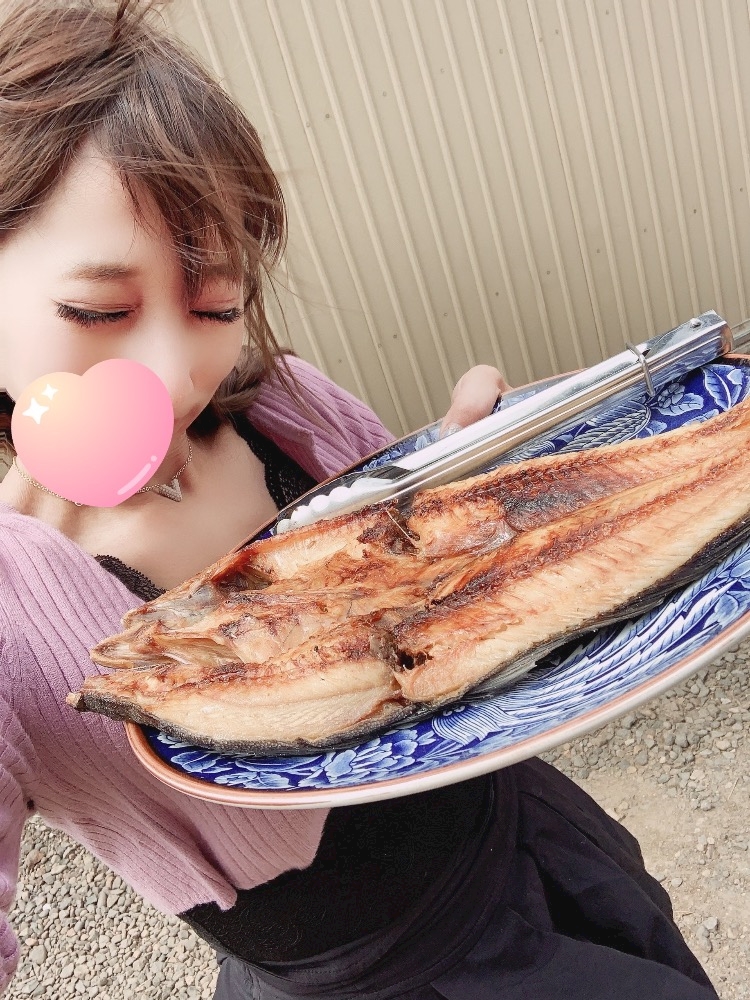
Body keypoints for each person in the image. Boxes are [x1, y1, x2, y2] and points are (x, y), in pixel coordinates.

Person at [0, 2, 721, 998]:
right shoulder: (10, 616)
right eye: (100, 310)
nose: (172, 371)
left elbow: (427, 621)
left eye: (214, 305)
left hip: (523, 835)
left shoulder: (286, 408)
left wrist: (461, 492)